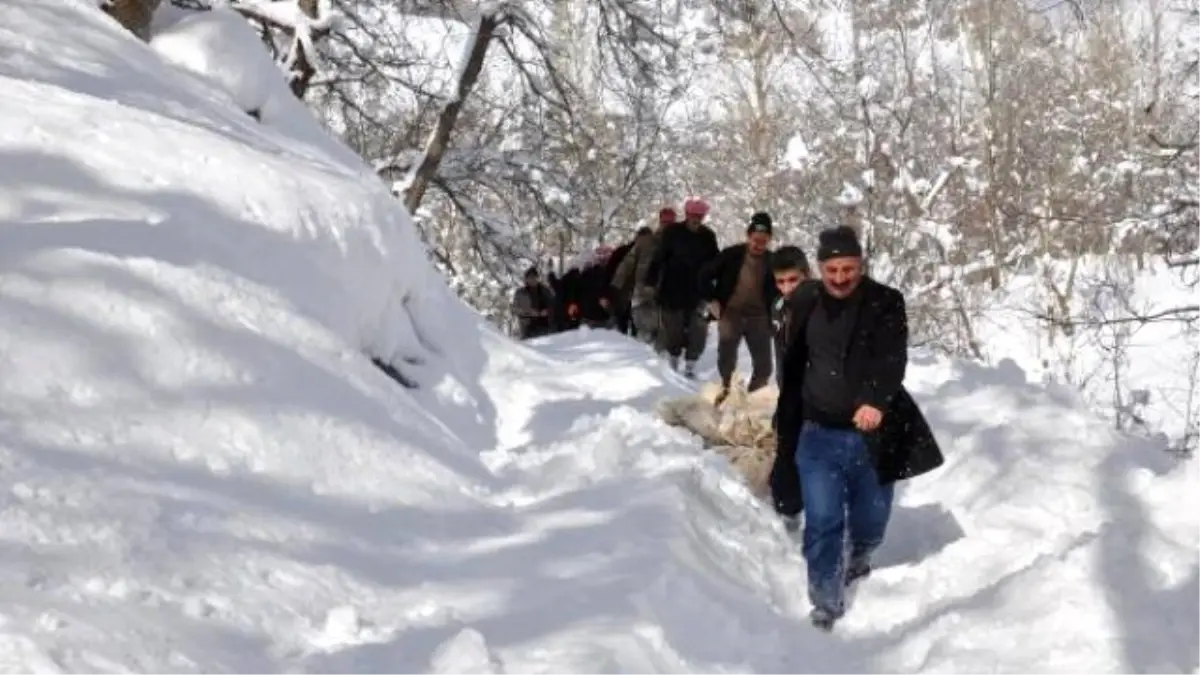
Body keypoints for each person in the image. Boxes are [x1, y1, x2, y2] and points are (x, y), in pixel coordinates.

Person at [770, 225, 944, 632]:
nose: (840, 278)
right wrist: (787, 411)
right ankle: (825, 600)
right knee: (824, 518)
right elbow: (791, 361)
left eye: (848, 268)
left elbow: (891, 358)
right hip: (817, 431)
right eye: (832, 269)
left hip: (872, 433)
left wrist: (874, 399)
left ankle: (861, 554)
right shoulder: (804, 300)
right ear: (819, 267)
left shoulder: (885, 301)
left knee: (872, 518)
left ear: (860, 265)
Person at [700, 211, 777, 402]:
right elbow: (703, 275)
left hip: (759, 317)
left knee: (764, 366)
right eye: (755, 240)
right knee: (727, 360)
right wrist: (711, 300)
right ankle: (727, 394)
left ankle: (752, 401)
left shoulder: (773, 261)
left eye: (764, 241)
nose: (759, 245)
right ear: (748, 236)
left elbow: (784, 287)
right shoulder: (732, 255)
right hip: (731, 313)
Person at [644, 198, 719, 377]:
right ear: (687, 215)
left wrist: (718, 286)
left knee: (698, 330)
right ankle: (673, 363)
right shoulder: (672, 233)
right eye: (694, 216)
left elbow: (716, 262)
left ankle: (691, 365)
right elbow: (658, 258)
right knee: (673, 330)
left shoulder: (708, 236)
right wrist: (650, 280)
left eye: (700, 217)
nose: (696, 220)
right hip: (672, 289)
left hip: (698, 291)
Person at [612, 213, 672, 347]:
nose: (667, 226)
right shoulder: (646, 241)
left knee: (664, 330)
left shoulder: (678, 242)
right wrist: (617, 283)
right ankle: (645, 357)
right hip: (644, 291)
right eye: (665, 223)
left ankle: (659, 359)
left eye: (670, 223)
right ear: (660, 223)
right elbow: (628, 262)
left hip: (667, 293)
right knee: (646, 329)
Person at [769, 244, 813, 386]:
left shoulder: (828, 308)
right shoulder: (778, 307)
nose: (787, 289)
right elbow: (781, 356)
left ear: (807, 275)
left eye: (793, 280)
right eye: (780, 282)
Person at [604, 233, 640, 336]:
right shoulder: (647, 251)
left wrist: (609, 290)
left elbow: (609, 271)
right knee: (634, 321)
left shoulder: (620, 251)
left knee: (622, 319)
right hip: (631, 290)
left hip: (620, 290)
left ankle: (622, 337)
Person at [511, 266, 556, 340]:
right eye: (530, 277)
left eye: (535, 277)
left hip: (546, 326)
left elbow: (555, 305)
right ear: (526, 279)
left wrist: (547, 311)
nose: (533, 279)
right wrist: (528, 312)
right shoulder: (520, 293)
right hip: (528, 328)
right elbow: (514, 309)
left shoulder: (546, 291)